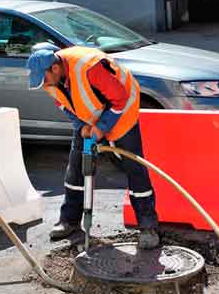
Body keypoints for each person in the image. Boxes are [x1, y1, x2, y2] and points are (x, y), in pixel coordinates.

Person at [26, 44, 160, 249]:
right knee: (76, 168)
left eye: (43, 77)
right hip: (91, 118)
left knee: (135, 169)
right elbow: (65, 105)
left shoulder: (88, 67)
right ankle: (69, 221)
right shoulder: (50, 81)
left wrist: (101, 128)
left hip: (122, 113)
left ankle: (148, 226)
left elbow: (120, 98)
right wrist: (83, 127)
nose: (43, 83)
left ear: (54, 68)